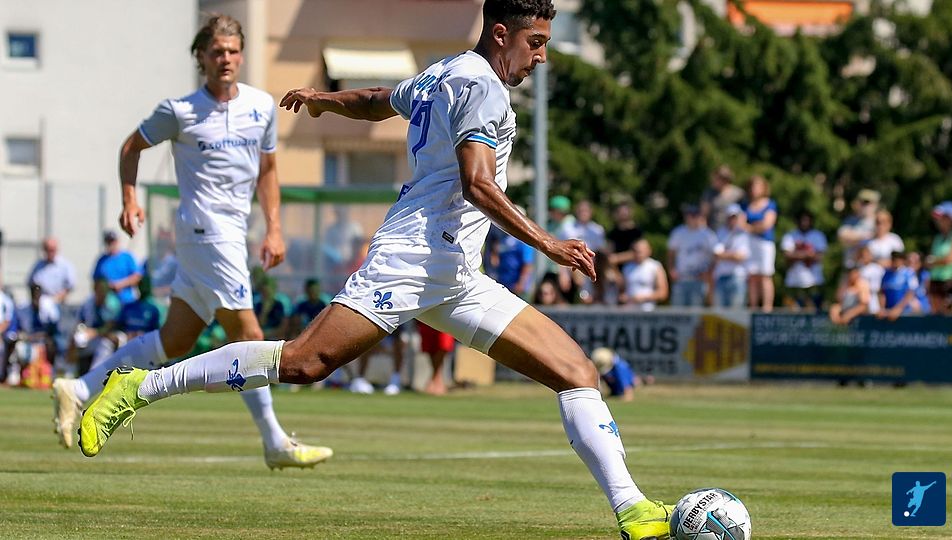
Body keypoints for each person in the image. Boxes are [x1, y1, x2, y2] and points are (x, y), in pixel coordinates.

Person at [79, 3, 675, 537]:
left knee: (575, 371)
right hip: (412, 258)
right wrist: (549, 244)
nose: (541, 56)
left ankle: (633, 509)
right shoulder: (483, 88)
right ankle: (138, 386)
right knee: (305, 362)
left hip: (457, 274)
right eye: (536, 42)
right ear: (501, 34)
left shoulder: (444, 73)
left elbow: (376, 101)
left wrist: (324, 100)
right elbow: (477, 183)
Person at [51, 14, 331, 468]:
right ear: (201, 57)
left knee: (175, 339)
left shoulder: (261, 106)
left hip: (230, 234)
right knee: (249, 336)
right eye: (217, 51)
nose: (226, 59)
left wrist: (275, 227)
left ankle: (80, 388)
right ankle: (275, 442)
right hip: (206, 232)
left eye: (233, 51)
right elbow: (131, 147)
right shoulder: (178, 111)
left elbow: (268, 171)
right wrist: (129, 198)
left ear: (242, 55)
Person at [67, 278, 121, 377]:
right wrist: (78, 332)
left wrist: (94, 332)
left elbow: (110, 327)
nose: (101, 293)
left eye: (103, 291)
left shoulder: (113, 303)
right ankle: (71, 372)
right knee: (78, 338)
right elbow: (80, 322)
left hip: (111, 336)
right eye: (99, 290)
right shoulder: (88, 303)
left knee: (105, 344)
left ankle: (94, 375)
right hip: (93, 336)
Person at [667, 204, 716, 307]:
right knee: (678, 310)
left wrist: (708, 272)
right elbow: (671, 253)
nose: (691, 218)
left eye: (694, 215)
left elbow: (715, 256)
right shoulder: (678, 232)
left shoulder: (708, 234)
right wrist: (671, 269)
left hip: (699, 279)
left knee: (696, 311)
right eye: (689, 215)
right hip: (681, 278)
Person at [742, 175, 777, 312]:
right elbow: (741, 223)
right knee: (752, 276)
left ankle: (767, 308)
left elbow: (767, 225)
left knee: (765, 275)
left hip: (764, 243)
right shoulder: (746, 205)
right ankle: (753, 307)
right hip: (749, 243)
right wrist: (755, 227)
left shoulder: (770, 204)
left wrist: (750, 228)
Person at [780, 210, 827, 311]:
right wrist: (807, 254)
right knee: (793, 310)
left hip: (814, 281)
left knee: (814, 310)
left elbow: (819, 256)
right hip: (793, 281)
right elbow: (787, 255)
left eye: (806, 220)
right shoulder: (790, 236)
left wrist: (797, 254)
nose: (804, 223)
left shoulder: (818, 236)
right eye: (801, 220)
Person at [712, 204, 750, 308]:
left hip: (737, 277)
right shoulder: (720, 232)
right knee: (719, 312)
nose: (732, 220)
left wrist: (724, 255)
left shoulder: (743, 234)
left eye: (734, 217)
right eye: (730, 217)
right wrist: (732, 255)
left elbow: (740, 256)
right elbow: (716, 255)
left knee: (735, 312)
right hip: (720, 277)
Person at [92, 230, 142, 306]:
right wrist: (107, 286)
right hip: (108, 304)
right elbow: (96, 281)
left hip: (127, 302)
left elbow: (137, 277)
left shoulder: (127, 257)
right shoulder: (101, 260)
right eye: (109, 242)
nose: (111, 244)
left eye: (113, 241)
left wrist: (120, 284)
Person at [927, 201, 952, 314]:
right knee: (937, 315)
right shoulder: (937, 238)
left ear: (950, 219)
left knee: (951, 314)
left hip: (950, 282)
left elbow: (950, 259)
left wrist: (933, 261)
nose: (938, 220)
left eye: (943, 217)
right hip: (935, 282)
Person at [27, 237, 77, 306]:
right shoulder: (38, 266)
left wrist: (56, 299)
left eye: (52, 250)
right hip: (40, 303)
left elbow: (69, 286)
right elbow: (31, 283)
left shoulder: (65, 266)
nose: (50, 253)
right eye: (47, 250)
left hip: (58, 303)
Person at [621, 239, 668, 311]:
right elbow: (622, 290)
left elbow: (663, 293)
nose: (638, 254)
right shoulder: (627, 267)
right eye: (635, 251)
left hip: (648, 310)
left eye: (640, 251)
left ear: (648, 251)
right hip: (629, 310)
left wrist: (643, 298)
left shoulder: (655, 266)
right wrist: (624, 297)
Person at [838, 189, 880, 269]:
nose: (865, 206)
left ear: (875, 204)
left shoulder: (878, 221)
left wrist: (854, 237)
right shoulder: (850, 220)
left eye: (868, 203)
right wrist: (867, 236)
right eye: (863, 202)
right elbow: (842, 235)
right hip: (851, 267)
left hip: (873, 268)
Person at [878, 251, 926, 321]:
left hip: (905, 312)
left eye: (898, 260)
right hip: (888, 312)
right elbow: (882, 292)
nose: (895, 262)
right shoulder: (886, 273)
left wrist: (898, 309)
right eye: (894, 259)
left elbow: (911, 293)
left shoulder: (908, 273)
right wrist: (882, 309)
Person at [417, 321, 456, 395]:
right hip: (427, 319)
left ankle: (434, 378)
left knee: (444, 345)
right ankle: (437, 379)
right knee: (430, 347)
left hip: (446, 320)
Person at [700, 165, 744, 230]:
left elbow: (743, 213)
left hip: (732, 231)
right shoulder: (709, 193)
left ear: (724, 180)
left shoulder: (738, 193)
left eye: (715, 179)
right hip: (713, 230)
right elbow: (704, 215)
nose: (712, 181)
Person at [606, 201, 643, 269]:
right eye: (620, 212)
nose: (623, 214)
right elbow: (609, 252)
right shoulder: (613, 233)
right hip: (616, 269)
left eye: (625, 211)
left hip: (634, 267)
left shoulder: (637, 232)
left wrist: (617, 258)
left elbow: (639, 252)